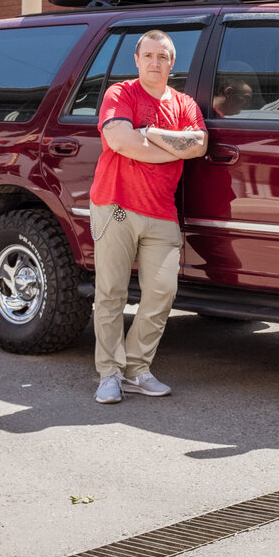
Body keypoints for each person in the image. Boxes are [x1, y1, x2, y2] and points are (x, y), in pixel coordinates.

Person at [90, 29, 207, 404]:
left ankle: (136, 369)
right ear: (136, 61)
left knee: (161, 292)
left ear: (173, 63)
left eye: (163, 56)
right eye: (149, 56)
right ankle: (109, 373)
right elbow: (120, 140)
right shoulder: (120, 94)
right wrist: (174, 148)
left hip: (161, 213)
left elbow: (200, 144)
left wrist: (149, 134)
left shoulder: (185, 103)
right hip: (118, 208)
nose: (156, 62)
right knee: (111, 292)